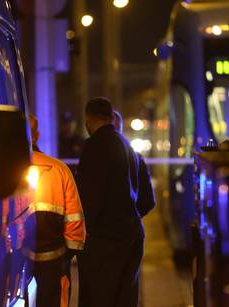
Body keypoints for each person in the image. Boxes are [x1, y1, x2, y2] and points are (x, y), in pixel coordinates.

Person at [76, 98, 144, 307]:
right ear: (111, 117)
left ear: (88, 121)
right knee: (125, 299)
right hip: (131, 236)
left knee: (98, 298)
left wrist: (82, 237)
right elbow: (143, 196)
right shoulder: (126, 145)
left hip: (105, 241)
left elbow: (90, 198)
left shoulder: (94, 146)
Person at [16, 115, 86, 307]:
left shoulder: (7, 172)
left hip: (18, 258)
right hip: (54, 259)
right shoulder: (60, 169)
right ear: (36, 135)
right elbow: (75, 219)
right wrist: (69, 253)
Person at [113, 110, 155, 218]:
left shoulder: (97, 158)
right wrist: (132, 218)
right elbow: (148, 201)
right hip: (130, 231)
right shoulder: (136, 158)